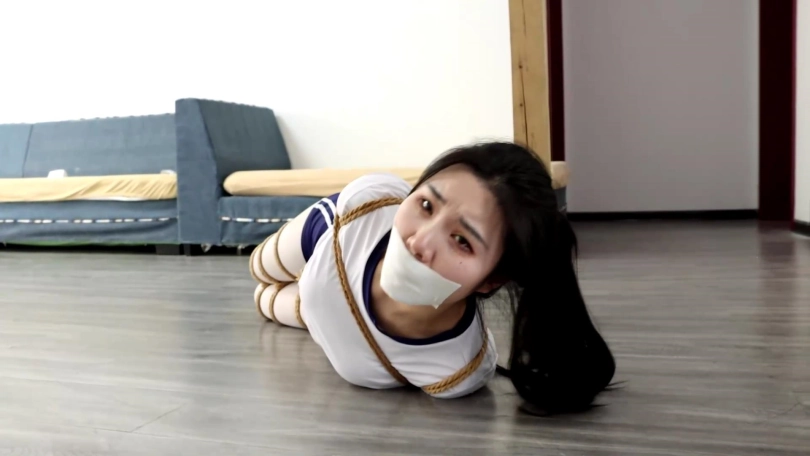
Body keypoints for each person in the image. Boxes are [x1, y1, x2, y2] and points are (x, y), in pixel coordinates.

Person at [249, 141, 616, 414]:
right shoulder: (363, 210)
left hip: (316, 307)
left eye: (462, 241)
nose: (419, 242)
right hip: (327, 243)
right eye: (426, 205)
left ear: (491, 280)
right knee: (258, 268)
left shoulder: (455, 369)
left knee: (263, 302)